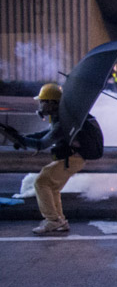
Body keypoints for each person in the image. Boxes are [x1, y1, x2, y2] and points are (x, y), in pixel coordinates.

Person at [0, 83, 104, 235]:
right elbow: (45, 134)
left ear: (51, 103)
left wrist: (22, 140)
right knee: (52, 187)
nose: (40, 105)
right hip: (73, 157)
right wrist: (22, 137)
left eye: (42, 101)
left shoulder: (63, 122)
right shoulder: (61, 117)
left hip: (73, 158)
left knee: (41, 182)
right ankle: (60, 220)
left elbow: (42, 144)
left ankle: (53, 221)